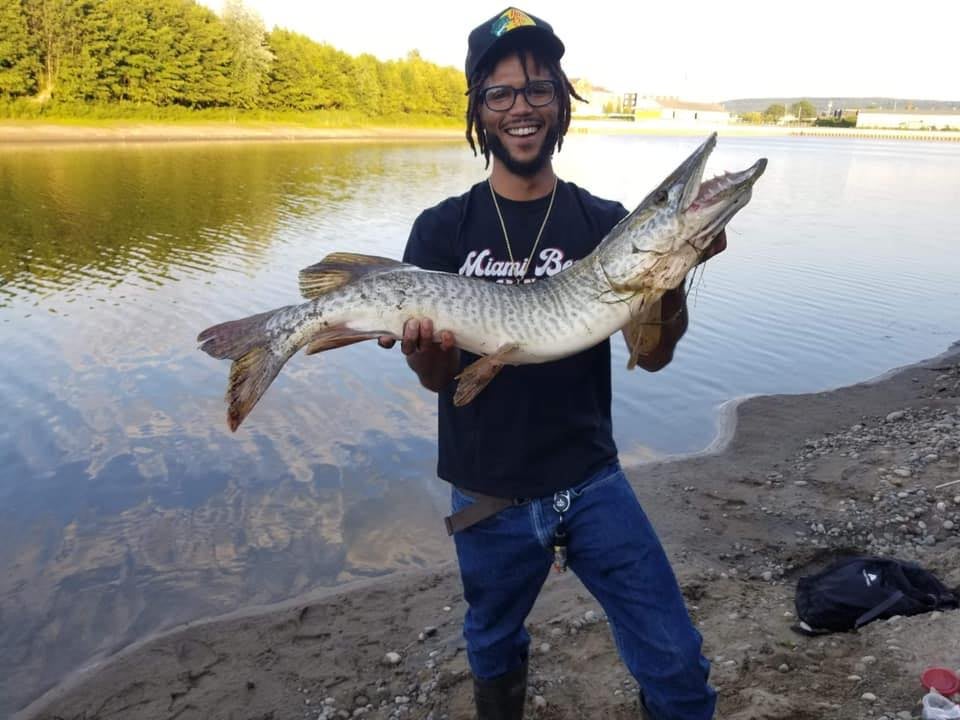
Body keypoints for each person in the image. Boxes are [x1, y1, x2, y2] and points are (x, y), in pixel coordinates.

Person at [380, 8, 724, 719]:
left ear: (561, 102)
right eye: (501, 92)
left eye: (539, 89)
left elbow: (651, 358)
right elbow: (441, 380)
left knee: (677, 662)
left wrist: (674, 276)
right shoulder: (442, 228)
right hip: (486, 493)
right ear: (479, 109)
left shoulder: (603, 223)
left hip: (591, 479)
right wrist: (426, 357)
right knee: (493, 645)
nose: (522, 108)